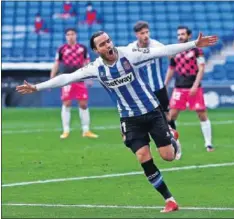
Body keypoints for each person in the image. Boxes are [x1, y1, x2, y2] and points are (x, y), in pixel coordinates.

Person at [16, 31, 218, 212]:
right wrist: (37, 87)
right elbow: (67, 77)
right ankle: (169, 200)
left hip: (151, 111)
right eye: (102, 44)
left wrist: (193, 44)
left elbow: (163, 51)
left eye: (108, 41)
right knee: (142, 157)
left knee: (168, 157)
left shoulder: (129, 55)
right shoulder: (95, 68)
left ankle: (172, 138)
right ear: (96, 50)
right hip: (129, 118)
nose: (108, 45)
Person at [128, 21, 181, 159]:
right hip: (143, 92)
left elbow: (172, 56)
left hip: (158, 88)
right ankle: (148, 145)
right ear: (136, 34)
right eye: (142, 33)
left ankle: (176, 143)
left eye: (147, 32)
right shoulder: (131, 48)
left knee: (168, 117)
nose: (145, 35)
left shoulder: (157, 46)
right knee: (145, 118)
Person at [165, 26, 214, 152]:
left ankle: (208, 143)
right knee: (171, 116)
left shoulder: (197, 50)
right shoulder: (175, 51)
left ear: (189, 36)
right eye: (178, 34)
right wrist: (164, 84)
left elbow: (201, 68)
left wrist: (195, 86)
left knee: (202, 115)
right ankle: (175, 142)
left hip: (194, 88)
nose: (180, 37)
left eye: (182, 34)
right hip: (179, 88)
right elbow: (171, 69)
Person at [50, 28, 98, 139]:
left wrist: (89, 77)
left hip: (80, 78)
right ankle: (66, 130)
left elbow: (87, 63)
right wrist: (51, 78)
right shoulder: (61, 49)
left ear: (76, 35)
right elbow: (56, 63)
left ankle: (86, 130)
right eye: (68, 34)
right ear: (66, 36)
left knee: (83, 104)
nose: (70, 36)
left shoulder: (83, 48)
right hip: (66, 79)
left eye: (72, 34)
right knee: (67, 103)